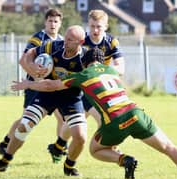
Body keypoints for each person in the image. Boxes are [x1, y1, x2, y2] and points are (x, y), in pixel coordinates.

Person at [11, 48, 177, 179]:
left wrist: (28, 83)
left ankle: (123, 159)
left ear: (85, 63)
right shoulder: (113, 72)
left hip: (114, 121)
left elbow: (51, 85)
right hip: (136, 113)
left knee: (95, 149)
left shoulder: (82, 75)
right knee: (168, 147)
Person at [0, 25, 88, 176]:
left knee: (80, 137)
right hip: (46, 95)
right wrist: (32, 66)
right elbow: (29, 53)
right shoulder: (54, 46)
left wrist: (29, 84)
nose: (65, 42)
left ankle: (69, 166)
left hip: (70, 97)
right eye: (65, 37)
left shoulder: (84, 59)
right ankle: (4, 161)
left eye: (70, 40)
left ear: (81, 42)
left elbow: (51, 85)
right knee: (24, 125)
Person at [48, 9, 125, 163]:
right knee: (102, 119)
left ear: (106, 26)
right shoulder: (82, 41)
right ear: (87, 25)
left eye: (99, 27)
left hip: (101, 89)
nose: (95, 30)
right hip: (84, 90)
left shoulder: (111, 42)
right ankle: (111, 148)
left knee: (78, 120)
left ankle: (58, 145)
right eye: (92, 26)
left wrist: (99, 71)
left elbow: (121, 69)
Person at [0, 8, 63, 155]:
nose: (52, 24)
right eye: (50, 21)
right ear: (45, 22)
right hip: (34, 86)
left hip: (51, 87)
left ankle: (59, 148)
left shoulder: (61, 41)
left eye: (55, 21)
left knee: (62, 117)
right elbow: (24, 60)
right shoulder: (38, 38)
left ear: (60, 23)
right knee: (26, 118)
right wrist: (35, 73)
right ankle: (6, 142)